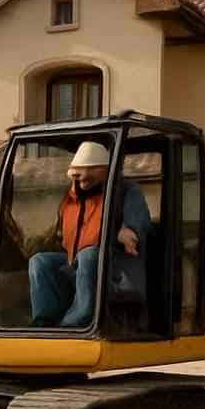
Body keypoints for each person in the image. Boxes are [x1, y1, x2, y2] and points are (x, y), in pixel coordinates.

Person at [27, 141, 150, 328]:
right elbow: (63, 235)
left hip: (114, 271)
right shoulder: (72, 200)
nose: (81, 182)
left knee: (88, 254)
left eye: (87, 177)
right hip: (78, 267)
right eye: (77, 178)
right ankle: (44, 320)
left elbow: (136, 225)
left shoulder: (126, 192)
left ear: (105, 171)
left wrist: (125, 232)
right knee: (40, 261)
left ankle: (76, 321)